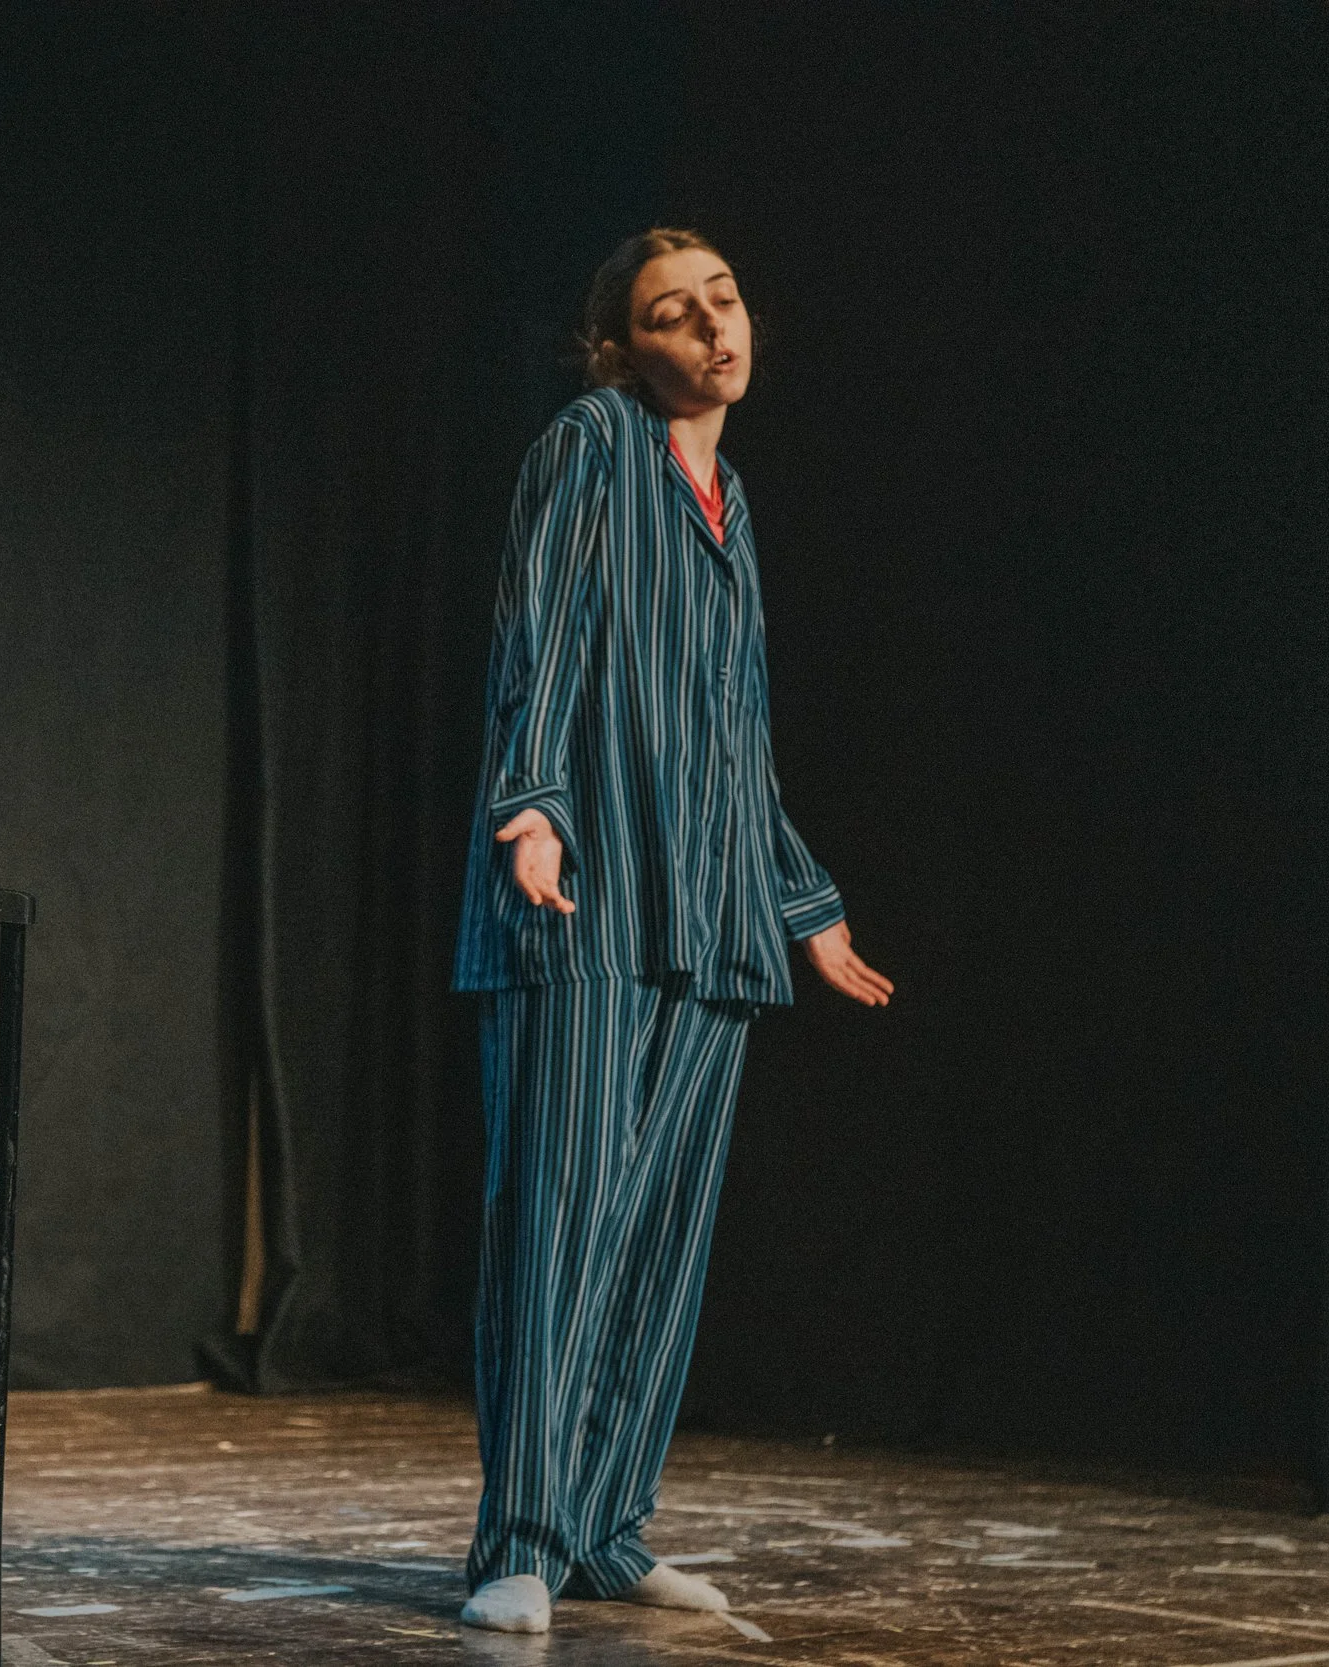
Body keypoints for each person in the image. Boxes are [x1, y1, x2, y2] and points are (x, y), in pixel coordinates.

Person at [452, 227, 893, 1635]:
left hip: (714, 916)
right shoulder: (592, 444)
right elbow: (540, 630)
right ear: (620, 350)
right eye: (671, 313)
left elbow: (734, 735)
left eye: (725, 300)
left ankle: (604, 1528)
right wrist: (531, 805)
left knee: (658, 1241)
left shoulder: (730, 503)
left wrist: (801, 898)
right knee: (562, 1225)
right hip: (585, 895)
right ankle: (522, 1539)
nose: (712, 328)